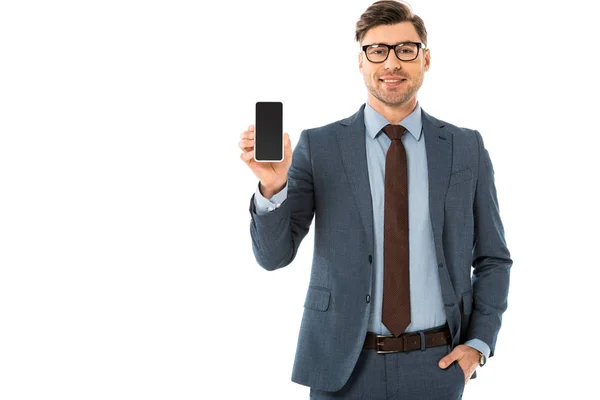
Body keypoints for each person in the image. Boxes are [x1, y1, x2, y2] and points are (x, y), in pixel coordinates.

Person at [238, 1, 512, 398]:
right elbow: (273, 256)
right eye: (377, 50)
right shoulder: (321, 146)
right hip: (342, 368)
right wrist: (273, 189)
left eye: (406, 49)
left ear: (426, 59)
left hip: (436, 365)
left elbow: (493, 258)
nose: (391, 63)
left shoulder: (465, 148)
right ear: (361, 62)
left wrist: (478, 344)